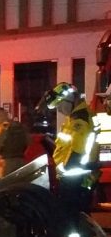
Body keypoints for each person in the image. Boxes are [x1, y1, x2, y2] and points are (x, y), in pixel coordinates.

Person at [44, 82, 100, 215]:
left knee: (71, 216)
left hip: (74, 176)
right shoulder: (77, 117)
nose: (58, 109)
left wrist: (63, 170)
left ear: (69, 99)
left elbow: (78, 151)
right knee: (79, 215)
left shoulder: (79, 120)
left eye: (59, 104)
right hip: (79, 175)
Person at [0, 108, 29, 177]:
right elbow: (28, 141)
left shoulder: (2, 128)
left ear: (1, 116)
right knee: (20, 184)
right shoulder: (19, 126)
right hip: (21, 161)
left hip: (7, 163)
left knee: (6, 185)